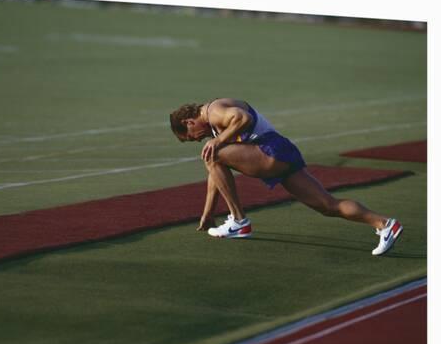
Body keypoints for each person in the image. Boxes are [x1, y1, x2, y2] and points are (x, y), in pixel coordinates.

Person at [169, 98, 403, 255]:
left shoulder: (213, 111)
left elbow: (243, 118)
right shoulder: (212, 126)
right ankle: (384, 224)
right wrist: (208, 213)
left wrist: (217, 140)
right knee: (328, 205)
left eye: (192, 136)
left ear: (188, 122)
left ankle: (239, 222)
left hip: (271, 151)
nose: (197, 139)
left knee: (213, 152)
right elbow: (215, 174)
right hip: (283, 153)